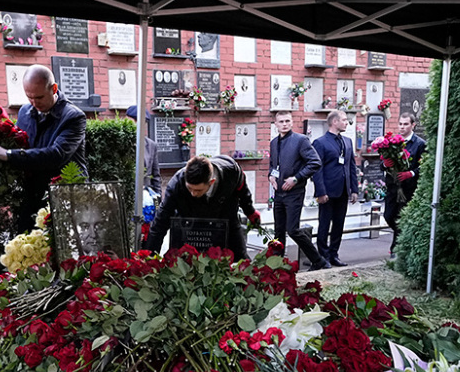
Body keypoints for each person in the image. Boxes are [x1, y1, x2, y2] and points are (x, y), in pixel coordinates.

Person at [0, 65, 88, 231]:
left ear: (54, 88)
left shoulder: (74, 116)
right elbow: (18, 142)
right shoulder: (25, 111)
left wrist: (9, 155)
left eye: (39, 97)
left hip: (65, 196)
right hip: (32, 195)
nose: (34, 103)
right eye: (29, 97)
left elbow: (56, 155)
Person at [145, 155, 259, 261]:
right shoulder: (176, 184)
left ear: (211, 182)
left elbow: (242, 191)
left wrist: (250, 211)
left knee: (241, 260)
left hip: (225, 218)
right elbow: (160, 223)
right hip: (190, 226)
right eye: (190, 188)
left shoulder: (231, 171)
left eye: (198, 190)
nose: (193, 194)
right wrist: (149, 259)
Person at [268, 111, 330, 271]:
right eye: (281, 121)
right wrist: (271, 176)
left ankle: (319, 260)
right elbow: (273, 165)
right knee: (278, 231)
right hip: (279, 193)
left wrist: (296, 178)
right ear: (275, 124)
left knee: (293, 229)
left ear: (292, 122)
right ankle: (277, 265)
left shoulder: (300, 140)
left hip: (294, 192)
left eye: (287, 121)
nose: (284, 124)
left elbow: (315, 162)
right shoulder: (274, 142)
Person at [311, 110, 359, 267]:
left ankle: (334, 254)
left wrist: (354, 189)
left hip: (343, 191)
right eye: (344, 120)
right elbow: (317, 169)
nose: (347, 122)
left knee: (339, 224)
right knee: (324, 224)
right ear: (334, 122)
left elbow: (351, 166)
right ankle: (322, 256)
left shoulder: (347, 141)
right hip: (328, 191)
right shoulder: (320, 142)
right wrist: (321, 192)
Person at [383, 112, 428, 257]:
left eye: (405, 124)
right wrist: (385, 164)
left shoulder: (419, 144)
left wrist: (412, 173)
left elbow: (425, 165)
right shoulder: (393, 142)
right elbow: (382, 164)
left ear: (413, 125)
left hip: (409, 188)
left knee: (402, 217)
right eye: (400, 124)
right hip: (393, 186)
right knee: (389, 216)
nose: (402, 127)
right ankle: (402, 243)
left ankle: (396, 248)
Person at [125, 105, 161, 194]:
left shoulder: (151, 145)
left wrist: (158, 198)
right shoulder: (122, 142)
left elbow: (156, 176)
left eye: (143, 122)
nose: (139, 125)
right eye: (136, 120)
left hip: (145, 196)